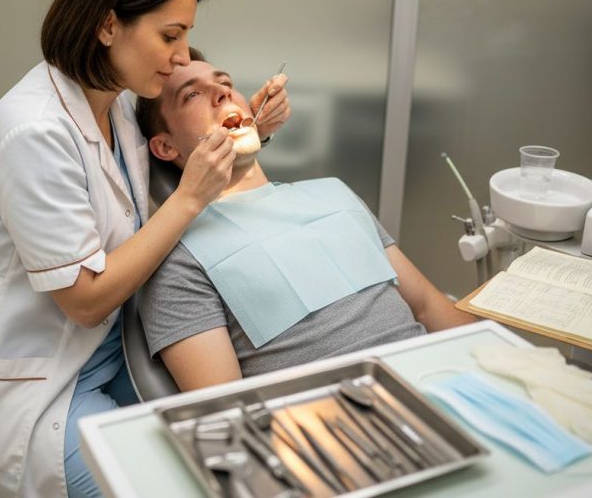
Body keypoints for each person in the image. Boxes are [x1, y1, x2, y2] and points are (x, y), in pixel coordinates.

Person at [0, 0, 291, 498]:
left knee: (243, 462)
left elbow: (178, 155)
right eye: (169, 36)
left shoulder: (118, 106)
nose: (182, 58)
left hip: (117, 354)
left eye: (187, 35)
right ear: (107, 26)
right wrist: (190, 197)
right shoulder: (33, 131)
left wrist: (252, 131)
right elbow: (84, 301)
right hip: (46, 391)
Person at [135, 53, 476, 392]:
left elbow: (430, 308)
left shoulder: (334, 195)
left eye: (225, 83)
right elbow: (224, 406)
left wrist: (501, 358)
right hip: (350, 426)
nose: (222, 93)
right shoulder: (179, 261)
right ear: (165, 147)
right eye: (192, 94)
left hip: (445, 382)